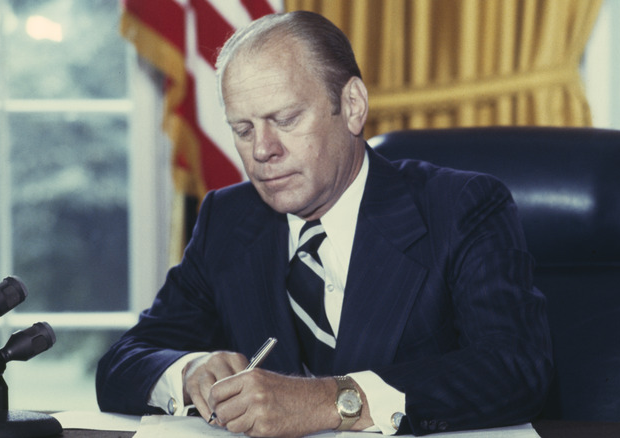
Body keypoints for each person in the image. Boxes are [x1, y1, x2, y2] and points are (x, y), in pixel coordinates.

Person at [96, 10, 552, 437]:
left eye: (286, 119)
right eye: (244, 129)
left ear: (352, 105)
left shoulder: (460, 206)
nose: (262, 150)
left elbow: (515, 369)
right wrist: (189, 371)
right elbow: (123, 363)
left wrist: (330, 400)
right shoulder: (227, 219)